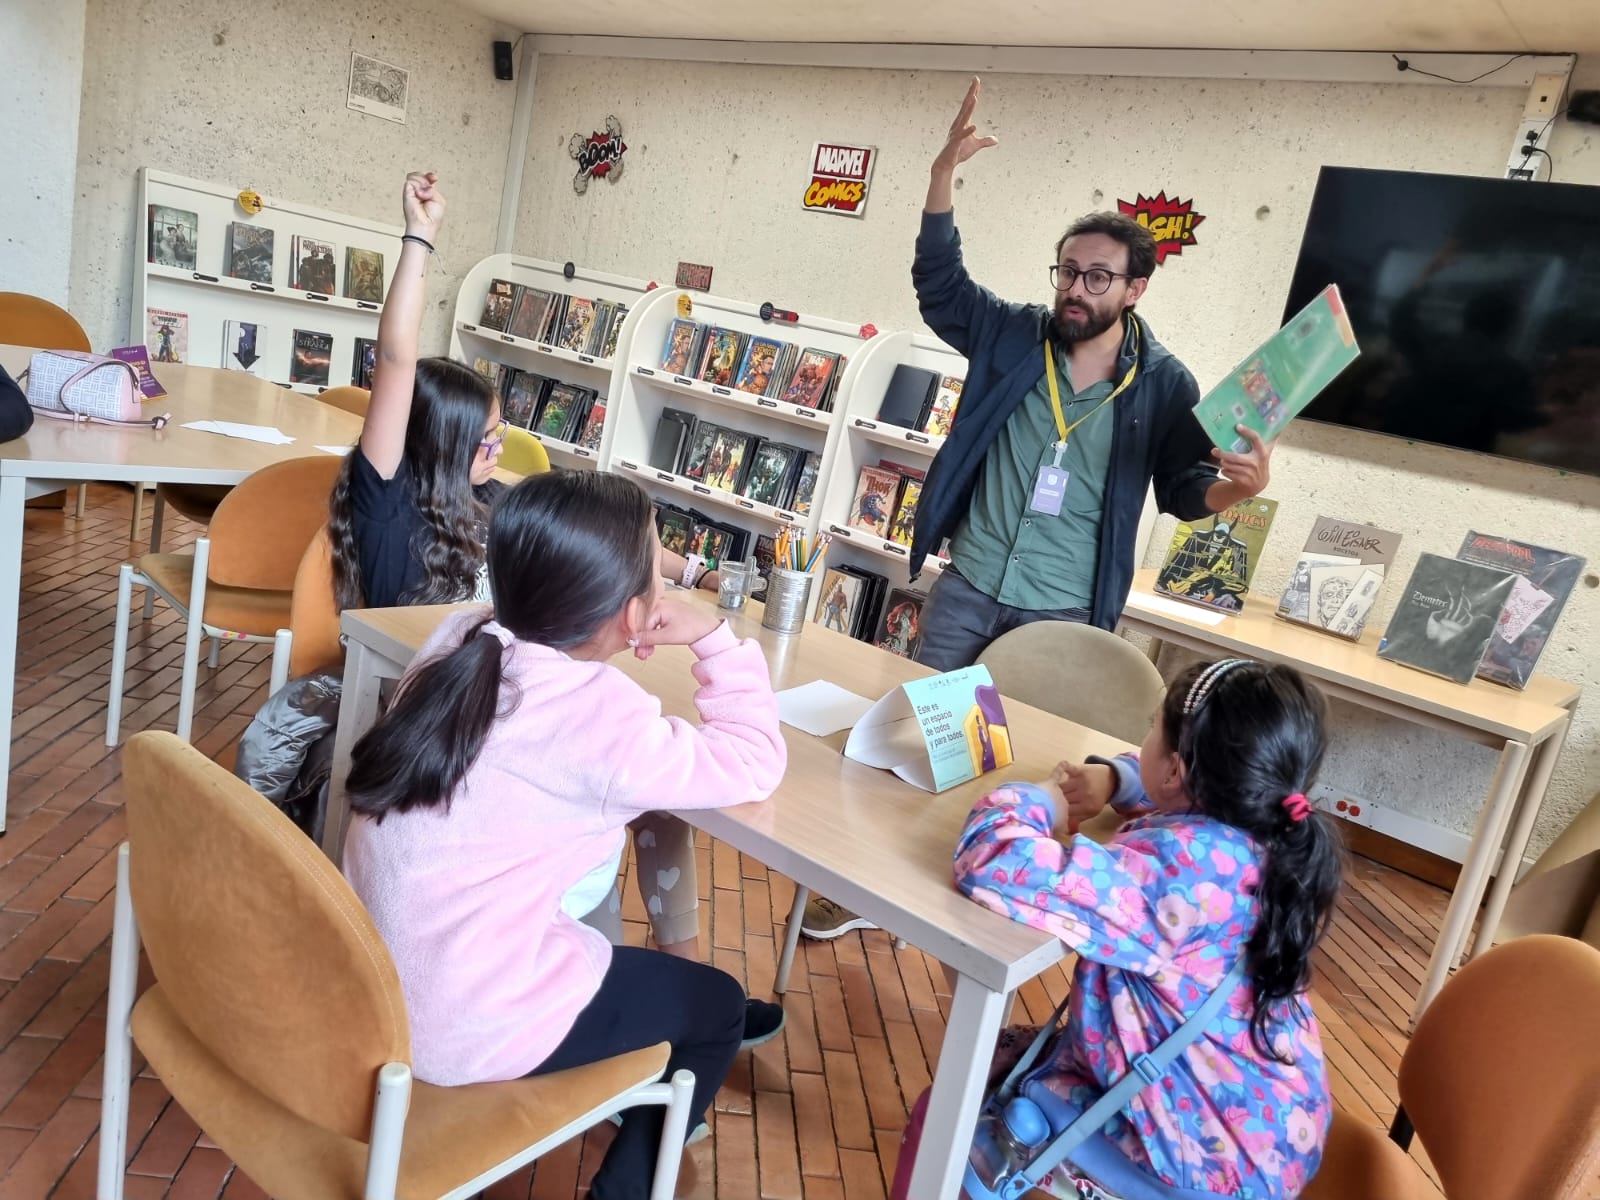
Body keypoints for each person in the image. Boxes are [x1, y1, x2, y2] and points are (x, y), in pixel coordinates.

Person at [801, 76, 1275, 943]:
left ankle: (982, 892)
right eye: (1068, 270)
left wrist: (1236, 491)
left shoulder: (1164, 385)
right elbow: (940, 285)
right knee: (932, 741)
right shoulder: (1016, 335)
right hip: (975, 578)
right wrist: (942, 173)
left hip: (1061, 609)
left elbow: (1181, 489)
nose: (1075, 289)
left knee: (1017, 760)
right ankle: (873, 889)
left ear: (1136, 289)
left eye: (1097, 277)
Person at [342, 469, 789, 1200]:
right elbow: (755, 762)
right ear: (630, 613)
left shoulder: (464, 635)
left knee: (656, 952)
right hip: (457, 1014)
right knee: (717, 1008)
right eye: (658, 566)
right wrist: (715, 637)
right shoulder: (601, 717)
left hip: (372, 971)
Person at [892, 658, 1340, 1200]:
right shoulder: (1263, 825)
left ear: (1177, 770)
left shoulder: (1173, 875)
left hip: (1197, 1154)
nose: (1143, 738)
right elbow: (1167, 786)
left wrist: (1043, 799)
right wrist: (1117, 778)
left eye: (1152, 727)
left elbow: (992, 857)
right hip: (1262, 1118)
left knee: (942, 1120)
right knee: (998, 1057)